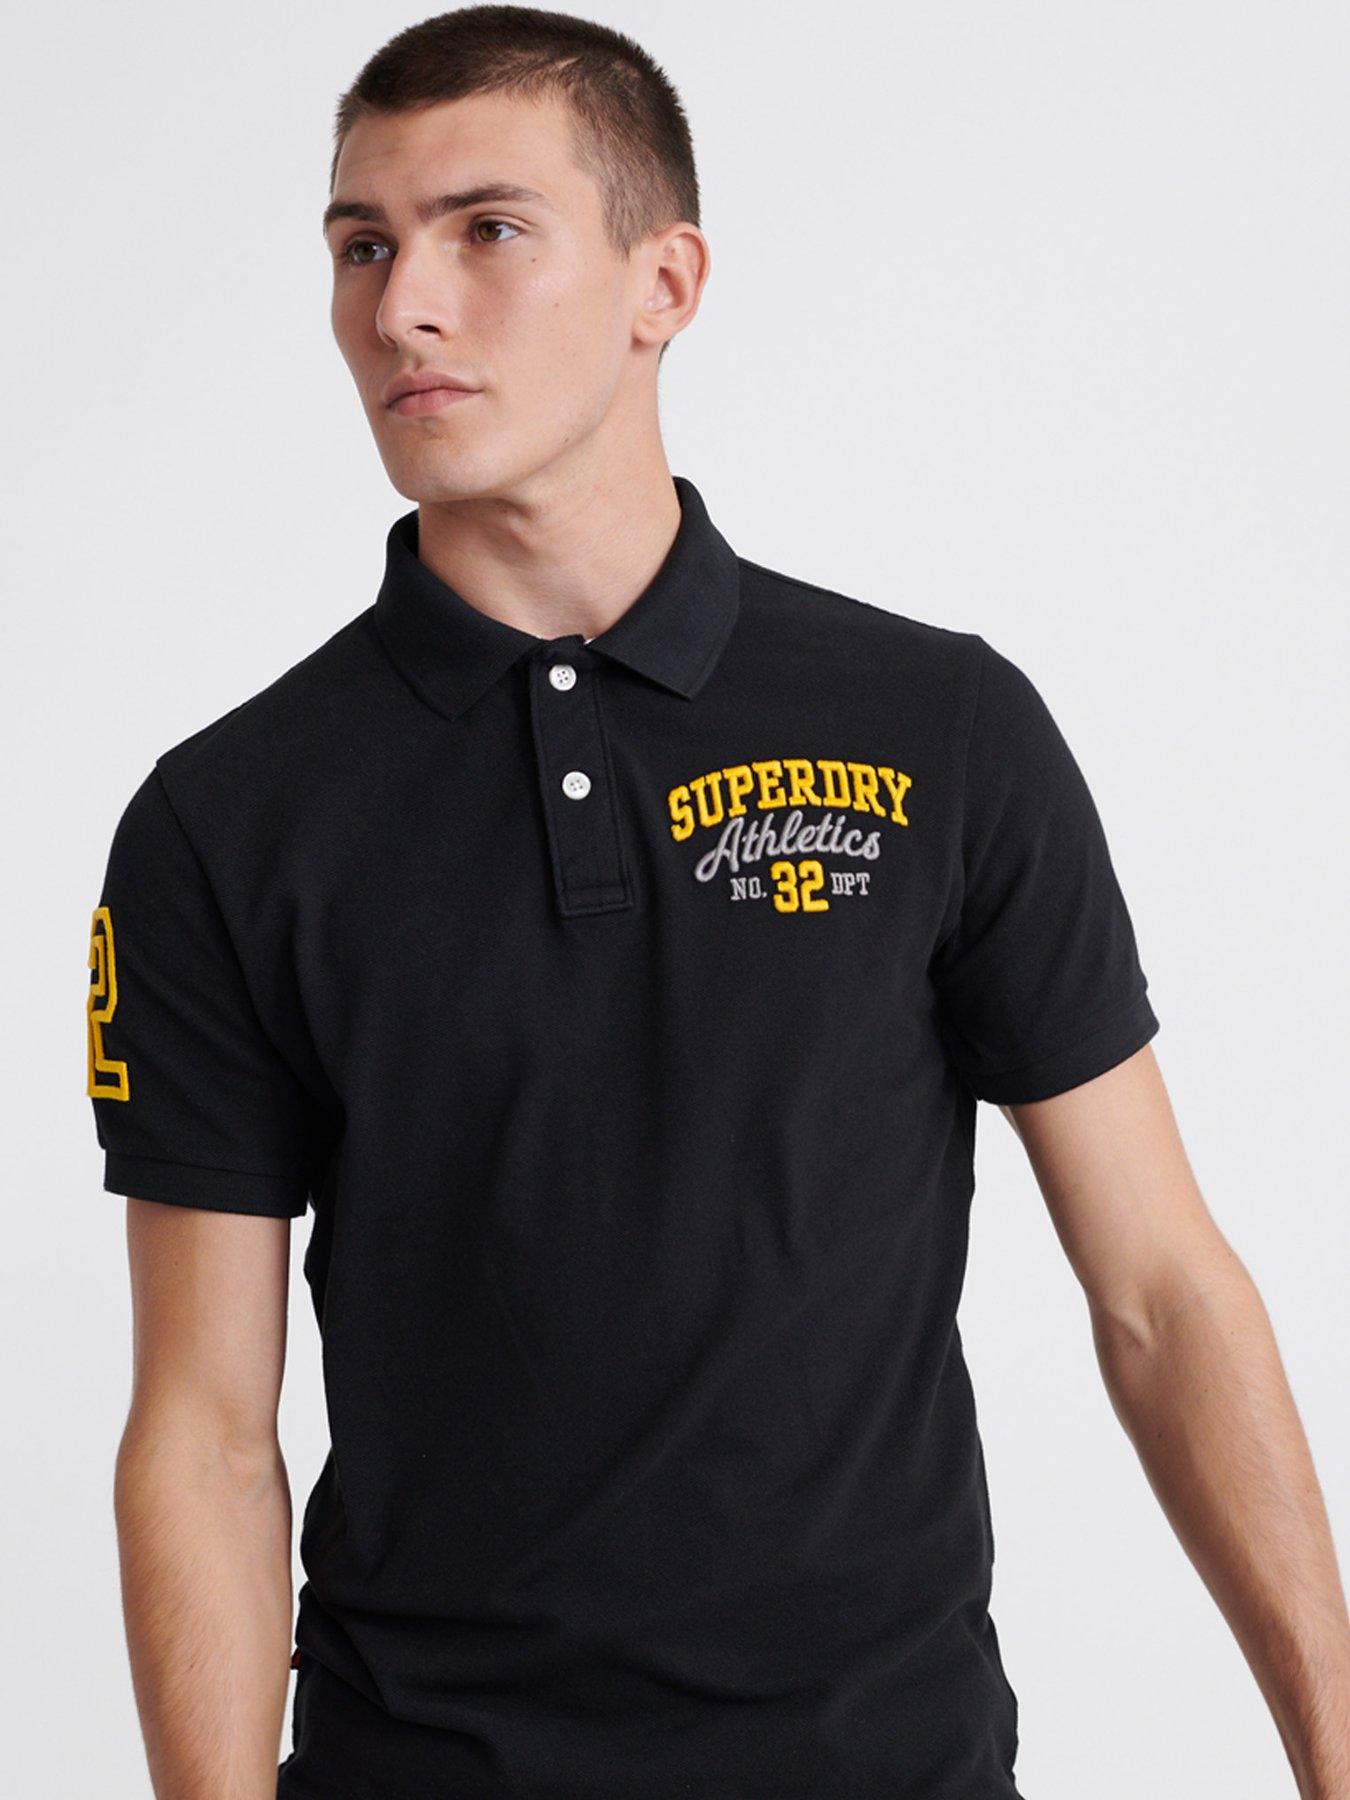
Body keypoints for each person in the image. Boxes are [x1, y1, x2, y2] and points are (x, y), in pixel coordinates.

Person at [85, 6, 1350, 1797]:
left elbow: (1160, 1291)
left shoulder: (938, 727)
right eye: (361, 245)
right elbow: (205, 1431)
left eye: (486, 230)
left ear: (663, 280)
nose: (402, 306)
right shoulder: (225, 819)